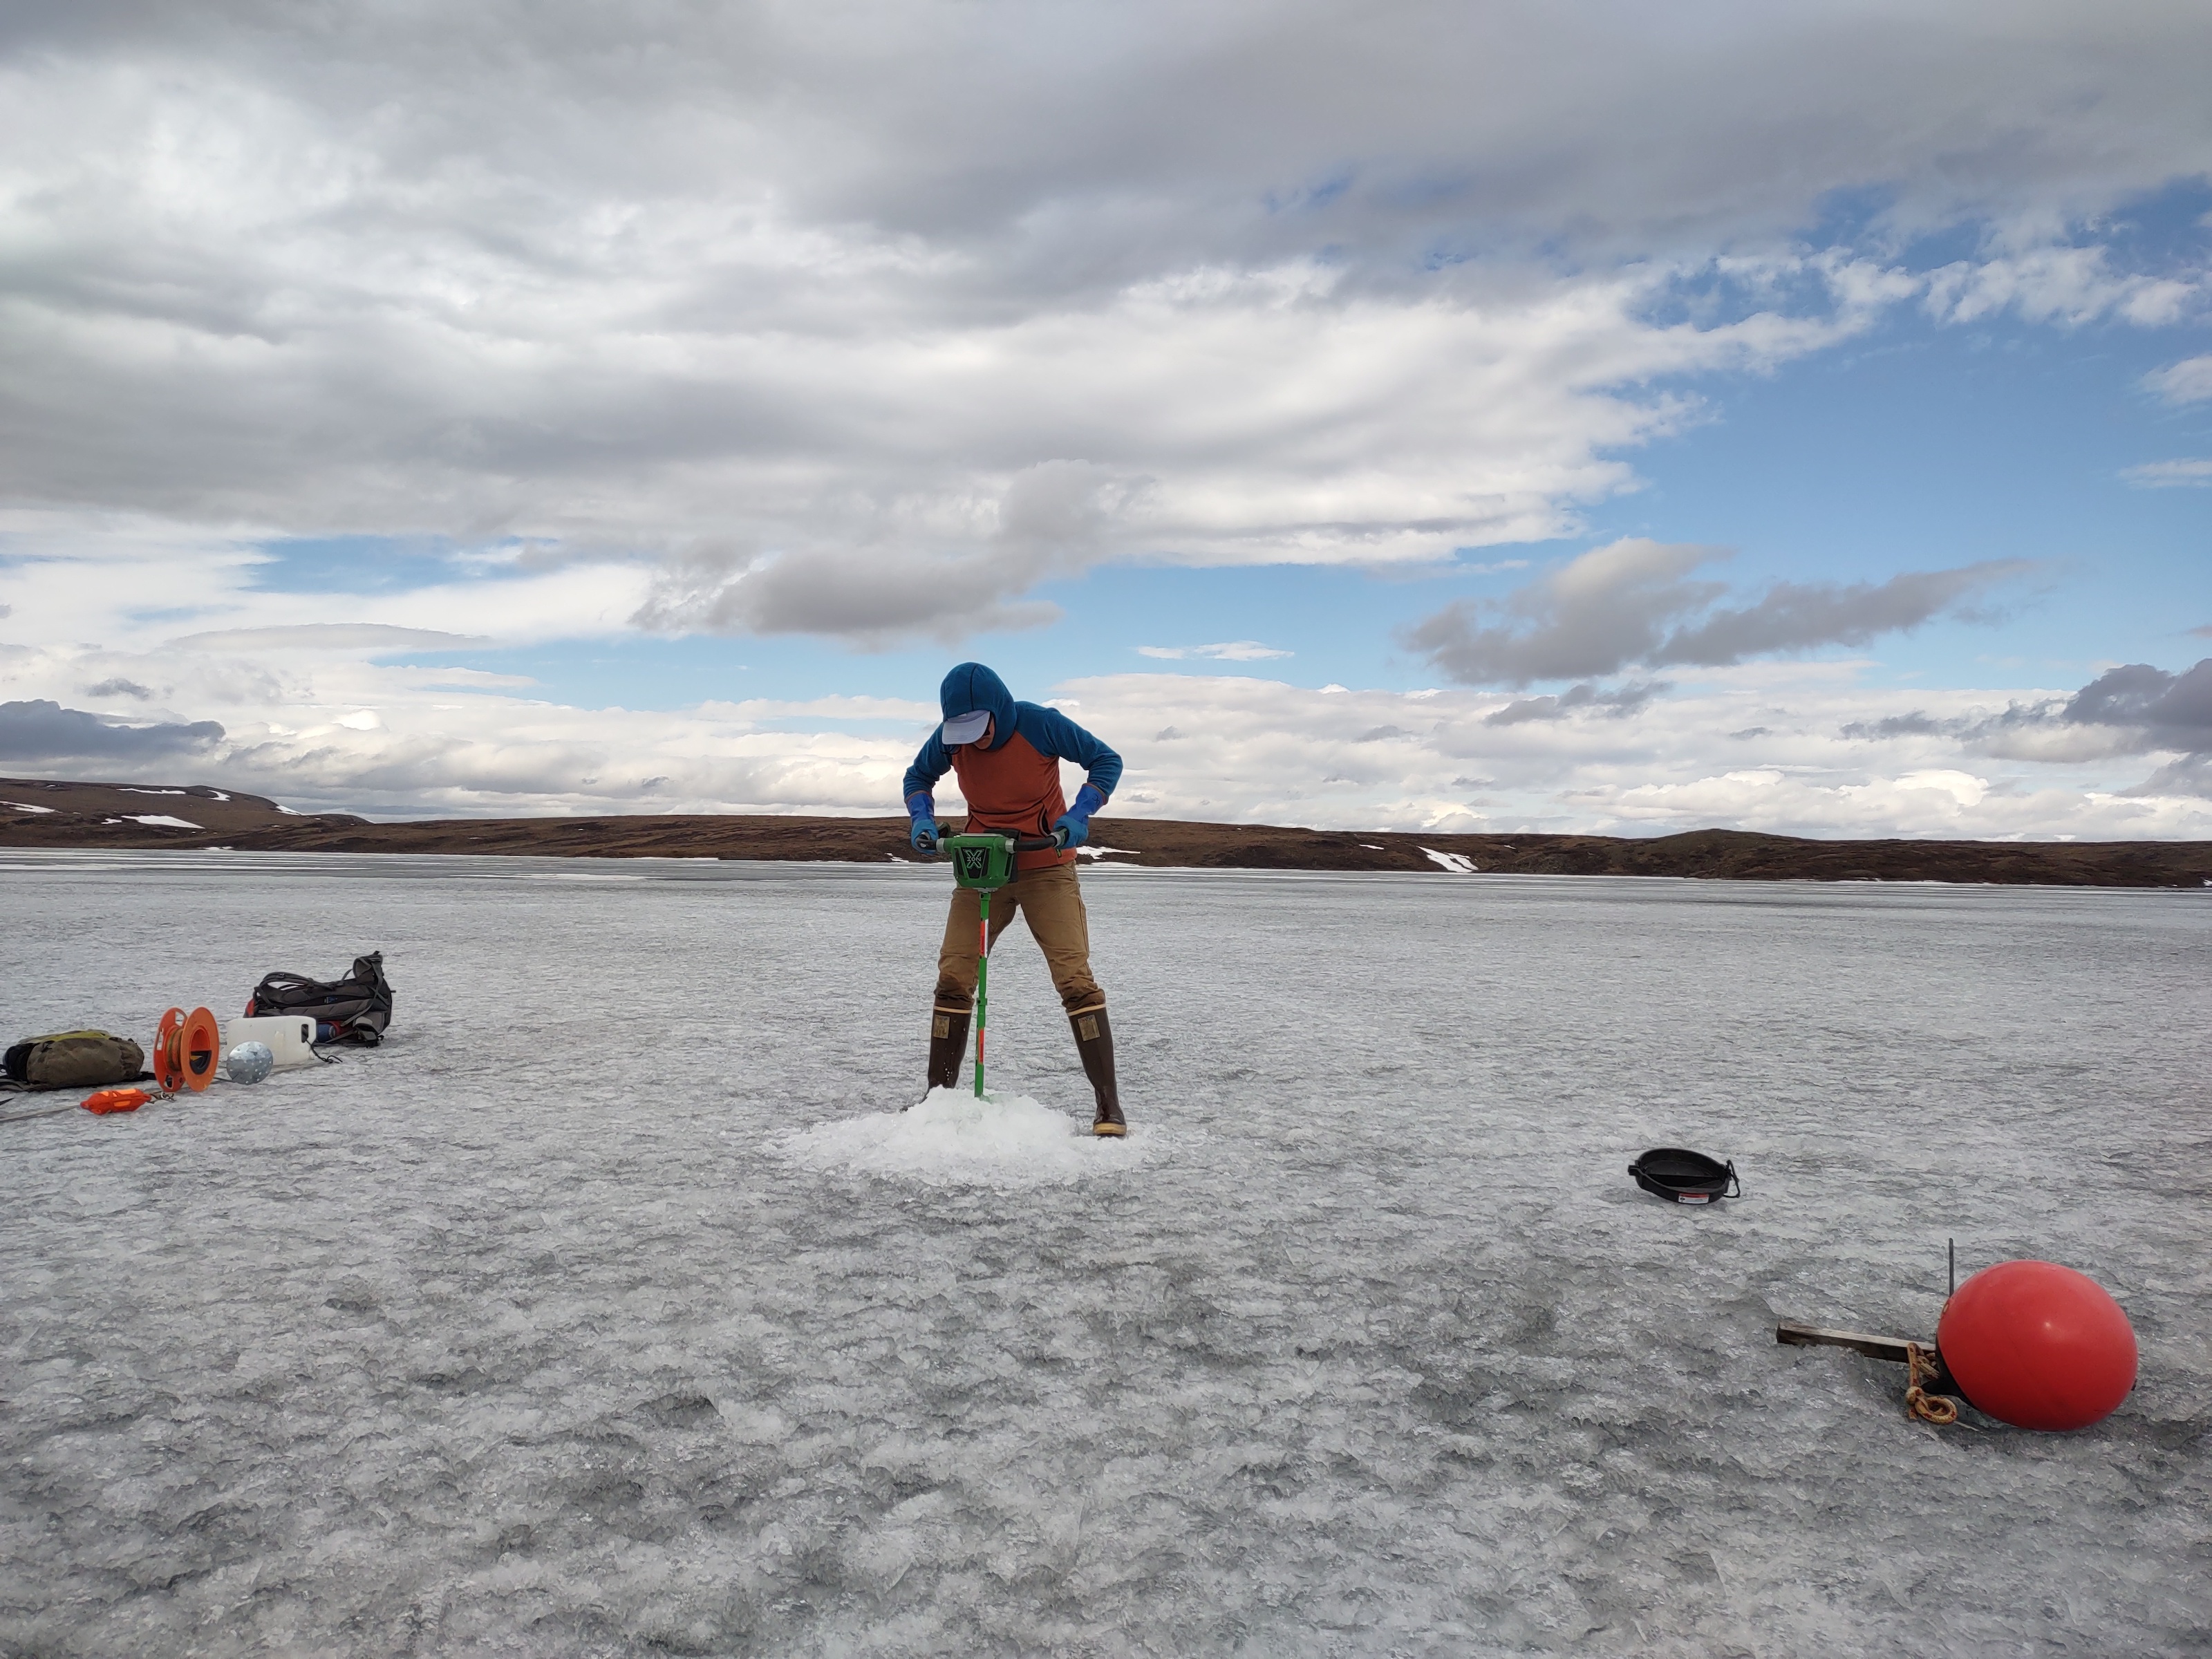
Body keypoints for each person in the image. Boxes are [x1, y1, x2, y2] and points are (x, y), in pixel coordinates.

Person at [902, 662, 1127, 1135]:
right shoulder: (951, 739)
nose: (970, 742)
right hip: (984, 866)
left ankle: (1108, 1105)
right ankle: (936, 1100)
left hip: (1046, 864)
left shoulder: (1039, 723)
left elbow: (1106, 760)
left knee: (1075, 978)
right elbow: (917, 778)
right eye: (959, 732)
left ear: (999, 711)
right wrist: (921, 818)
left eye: (978, 729)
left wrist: (1081, 812)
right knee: (954, 974)